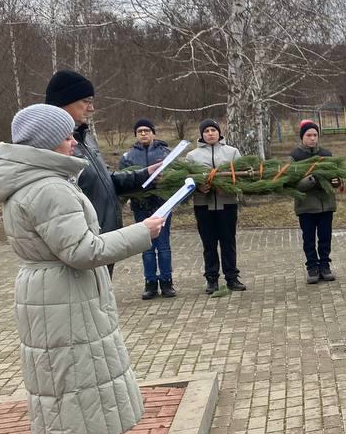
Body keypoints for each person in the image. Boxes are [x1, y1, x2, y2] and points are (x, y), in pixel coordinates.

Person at [0, 104, 163, 434]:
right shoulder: (48, 187)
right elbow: (82, 251)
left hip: (49, 293)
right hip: (61, 295)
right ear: (49, 140)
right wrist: (142, 232)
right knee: (65, 387)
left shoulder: (34, 180)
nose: (74, 140)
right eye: (67, 134)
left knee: (58, 387)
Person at [44, 70, 156, 256]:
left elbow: (104, 181)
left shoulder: (85, 137)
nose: (92, 108)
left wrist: (145, 174)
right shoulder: (54, 145)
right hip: (84, 246)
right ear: (65, 101)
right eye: (86, 101)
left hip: (103, 241)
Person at [186, 120, 246, 294]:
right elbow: (187, 179)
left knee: (228, 242)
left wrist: (227, 185)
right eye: (206, 131)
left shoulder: (232, 152)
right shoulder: (192, 156)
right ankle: (211, 279)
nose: (210, 133)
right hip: (203, 206)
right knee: (209, 244)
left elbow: (241, 177)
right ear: (201, 135)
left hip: (227, 204)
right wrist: (198, 187)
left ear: (219, 133)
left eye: (213, 130)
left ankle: (232, 278)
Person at [119, 118, 175, 299]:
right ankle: (150, 283)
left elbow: (175, 176)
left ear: (153, 133)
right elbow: (123, 180)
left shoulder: (165, 153)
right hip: (141, 207)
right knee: (147, 246)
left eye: (147, 130)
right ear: (135, 135)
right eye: (140, 131)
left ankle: (167, 282)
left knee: (164, 246)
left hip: (162, 205)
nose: (143, 133)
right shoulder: (128, 157)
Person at [291, 119, 340, 285]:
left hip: (326, 204)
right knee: (309, 238)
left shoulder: (326, 154)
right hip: (306, 206)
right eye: (308, 135)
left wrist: (335, 181)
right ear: (302, 137)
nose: (312, 138)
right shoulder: (295, 157)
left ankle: (325, 266)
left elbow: (336, 175)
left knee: (325, 237)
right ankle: (312, 267)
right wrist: (311, 181)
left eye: (315, 135)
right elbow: (291, 183)